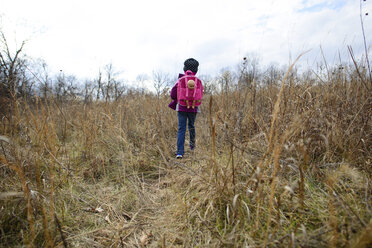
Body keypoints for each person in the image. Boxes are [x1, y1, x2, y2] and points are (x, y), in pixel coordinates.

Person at [169, 58, 203, 159]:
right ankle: (192, 147)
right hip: (194, 108)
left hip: (182, 107)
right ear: (196, 70)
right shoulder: (198, 81)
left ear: (184, 69)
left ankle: (180, 152)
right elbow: (200, 94)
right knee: (191, 126)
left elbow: (172, 94)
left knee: (181, 129)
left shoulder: (180, 80)